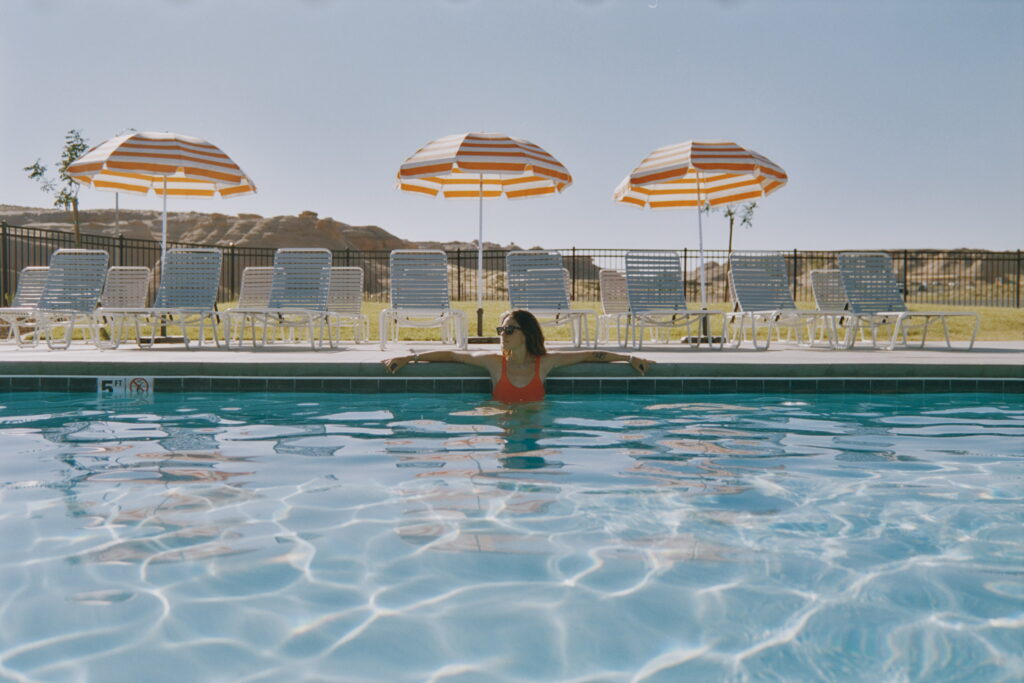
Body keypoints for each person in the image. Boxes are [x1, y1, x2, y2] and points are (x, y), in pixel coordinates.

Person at [382, 309, 654, 404]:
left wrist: (629, 358)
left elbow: (591, 356)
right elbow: (454, 354)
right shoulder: (493, 363)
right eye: (501, 329)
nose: (503, 333)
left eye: (509, 329)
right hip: (503, 424)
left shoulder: (545, 363)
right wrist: (411, 357)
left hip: (536, 424)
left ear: (526, 333)